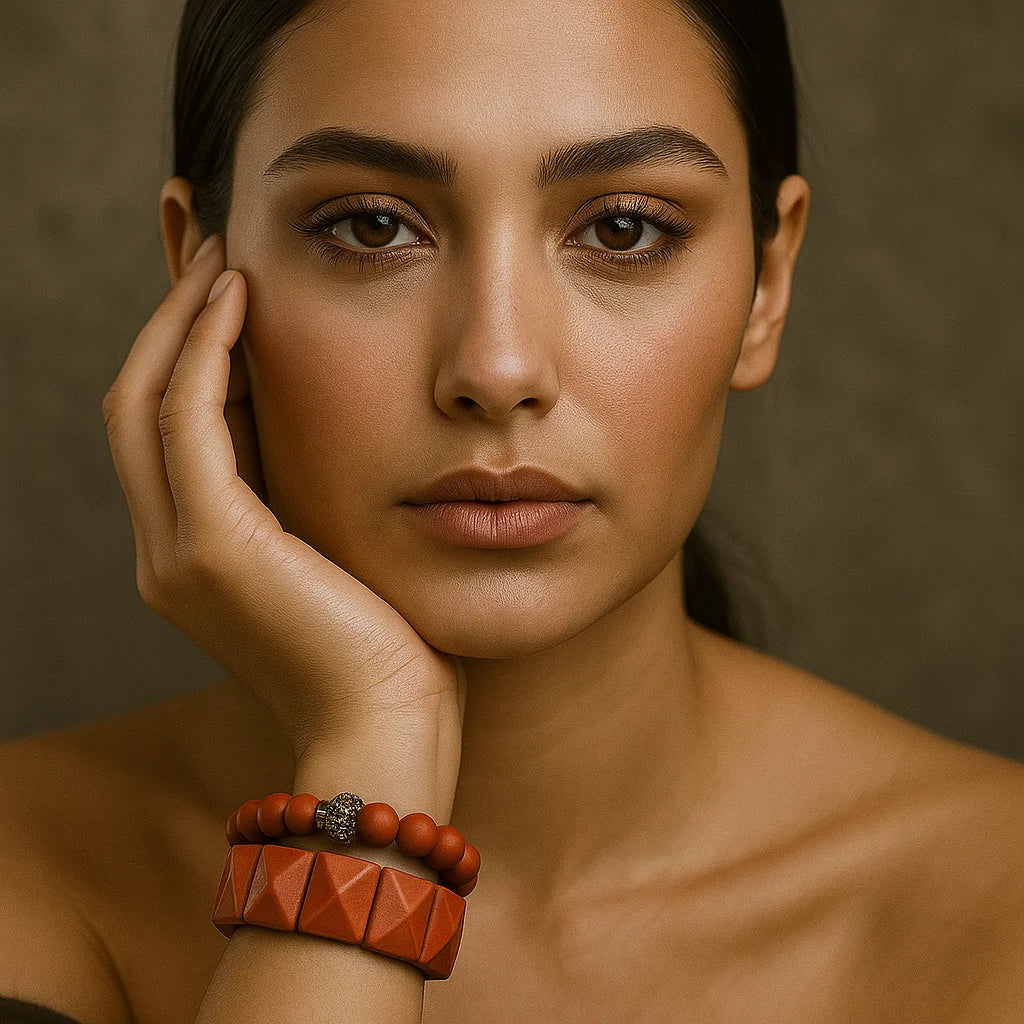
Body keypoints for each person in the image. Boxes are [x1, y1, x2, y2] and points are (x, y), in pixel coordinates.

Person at [1, 0, 1022, 1020]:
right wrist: (372, 749)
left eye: (624, 229)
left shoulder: (994, 902)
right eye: (371, 226)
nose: (496, 368)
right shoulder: (31, 866)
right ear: (199, 270)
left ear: (768, 283)